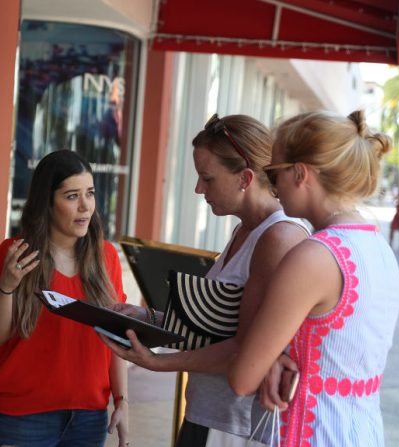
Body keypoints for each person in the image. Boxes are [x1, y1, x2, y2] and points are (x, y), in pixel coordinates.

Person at [99, 114, 308, 446]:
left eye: (207, 179)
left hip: (237, 428)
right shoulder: (245, 229)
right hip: (209, 414)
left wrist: (156, 361)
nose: (199, 189)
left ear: (245, 178)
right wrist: (146, 317)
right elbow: (217, 329)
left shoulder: (277, 238)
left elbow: (245, 347)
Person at [229, 110, 399, 446]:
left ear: (300, 173)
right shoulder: (381, 251)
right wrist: (277, 357)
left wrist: (268, 361)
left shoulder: (313, 257)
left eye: (273, 172)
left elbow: (242, 378)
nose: (272, 185)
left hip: (312, 433)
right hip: (363, 432)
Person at [0, 150, 129, 447]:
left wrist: (122, 401)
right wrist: (7, 286)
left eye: (90, 193)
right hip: (23, 417)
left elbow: (115, 334)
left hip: (89, 418)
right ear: (47, 203)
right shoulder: (16, 253)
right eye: (72, 196)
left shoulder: (106, 257)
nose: (85, 206)